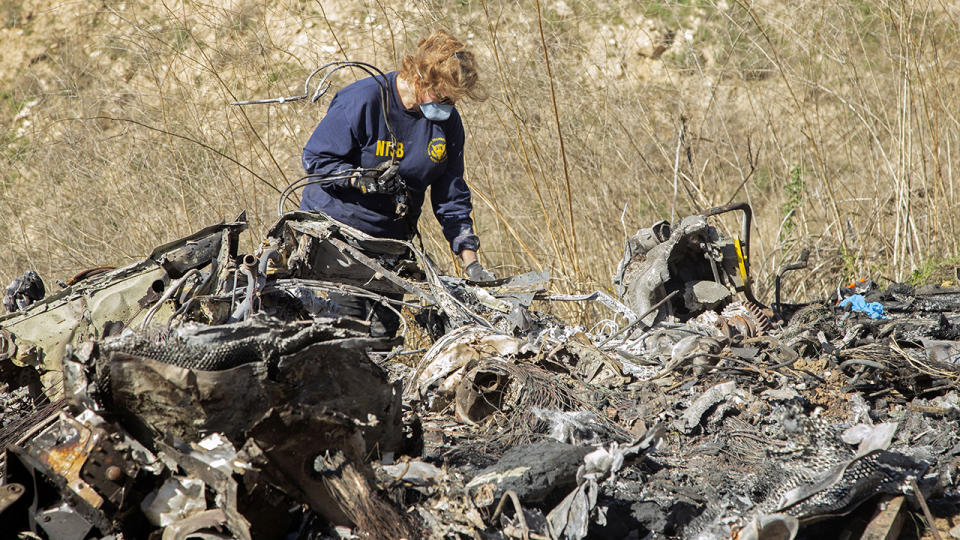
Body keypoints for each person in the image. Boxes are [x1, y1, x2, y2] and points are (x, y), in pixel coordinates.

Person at [300, 29, 494, 283]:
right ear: (419, 78)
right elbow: (316, 161)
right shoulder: (363, 100)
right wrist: (361, 179)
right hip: (335, 237)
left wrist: (472, 263)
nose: (446, 107)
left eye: (453, 101)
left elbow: (451, 195)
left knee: (387, 322)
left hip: (392, 244)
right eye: (440, 97)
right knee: (345, 319)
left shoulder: (446, 122)